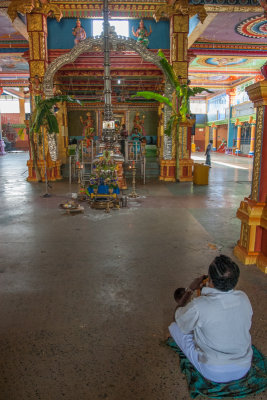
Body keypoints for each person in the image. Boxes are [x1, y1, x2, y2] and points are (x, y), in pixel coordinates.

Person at [169, 255, 253, 383]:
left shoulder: (199, 305)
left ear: (211, 281)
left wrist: (190, 289)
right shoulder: (244, 298)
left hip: (214, 371)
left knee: (175, 327)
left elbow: (177, 317)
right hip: (244, 366)